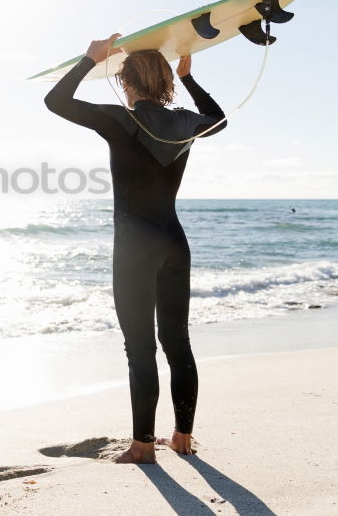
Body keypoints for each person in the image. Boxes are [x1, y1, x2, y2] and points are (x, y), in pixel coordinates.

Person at [43, 33, 226, 464]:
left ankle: (143, 446)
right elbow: (218, 118)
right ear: (165, 82)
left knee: (140, 349)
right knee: (177, 343)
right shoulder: (186, 123)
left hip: (134, 248)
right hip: (174, 243)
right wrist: (190, 79)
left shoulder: (120, 120)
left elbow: (56, 100)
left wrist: (90, 59)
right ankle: (183, 438)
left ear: (126, 82)